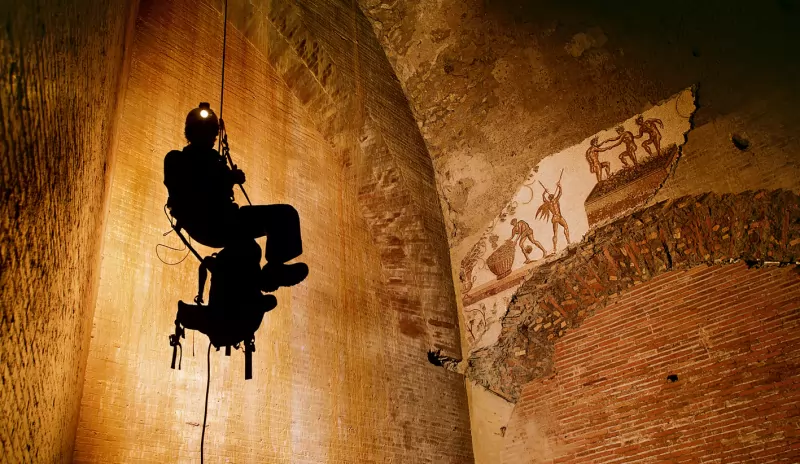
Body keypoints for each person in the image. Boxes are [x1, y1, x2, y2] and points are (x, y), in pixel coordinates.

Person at [164, 103, 308, 292]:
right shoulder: (176, 159)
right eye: (208, 133)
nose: (212, 139)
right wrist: (227, 177)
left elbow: (214, 181)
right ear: (193, 134)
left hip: (228, 220)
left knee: (285, 216)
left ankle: (274, 269)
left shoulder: (215, 162)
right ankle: (269, 274)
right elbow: (193, 187)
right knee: (256, 239)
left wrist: (228, 177)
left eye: (213, 134)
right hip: (206, 222)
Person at [536, 181, 571, 251]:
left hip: (555, 217)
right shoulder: (555, 200)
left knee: (556, 233)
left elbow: (543, 199)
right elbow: (560, 193)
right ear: (552, 197)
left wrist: (544, 193)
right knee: (565, 227)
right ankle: (567, 242)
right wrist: (559, 186)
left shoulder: (548, 203)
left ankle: (556, 247)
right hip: (558, 216)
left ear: (549, 198)